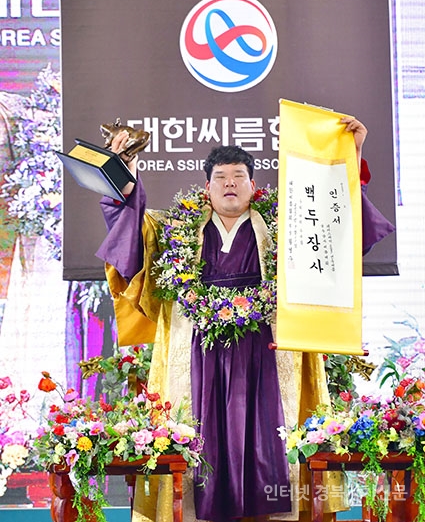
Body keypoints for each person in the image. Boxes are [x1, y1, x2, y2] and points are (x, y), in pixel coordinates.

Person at [96, 117, 395, 522]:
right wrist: (124, 169)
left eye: (239, 176)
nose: (230, 184)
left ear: (253, 186)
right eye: (220, 177)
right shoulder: (177, 229)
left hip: (268, 349)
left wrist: (352, 152)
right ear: (206, 188)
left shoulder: (286, 225)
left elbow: (338, 222)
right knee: (198, 440)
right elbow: (130, 225)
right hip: (198, 349)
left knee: (271, 440)